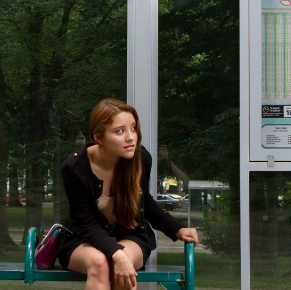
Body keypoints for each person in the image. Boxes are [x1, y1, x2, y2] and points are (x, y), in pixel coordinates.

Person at [57, 98, 198, 290]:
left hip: (131, 233)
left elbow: (144, 202)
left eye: (133, 128)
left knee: (122, 266)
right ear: (99, 137)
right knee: (100, 263)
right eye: (120, 131)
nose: (131, 137)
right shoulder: (75, 168)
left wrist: (176, 229)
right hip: (82, 238)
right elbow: (87, 224)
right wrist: (115, 252)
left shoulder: (141, 159)